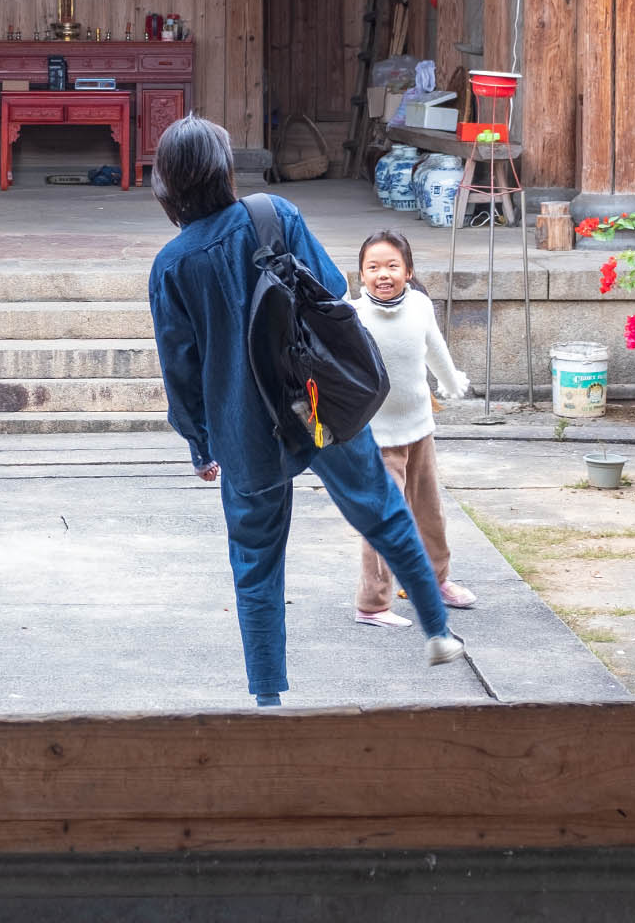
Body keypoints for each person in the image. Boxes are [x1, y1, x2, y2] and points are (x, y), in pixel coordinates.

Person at [146, 116, 467, 707]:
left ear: (167, 184)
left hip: (244, 432)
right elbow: (330, 286)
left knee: (257, 566)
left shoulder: (171, 265)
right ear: (223, 169)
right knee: (381, 509)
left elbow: (181, 370)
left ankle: (268, 699)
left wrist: (199, 443)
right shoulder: (272, 215)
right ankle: (438, 632)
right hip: (314, 403)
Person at [350, 230, 478, 626]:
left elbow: (434, 348)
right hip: (377, 437)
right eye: (373, 267)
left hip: (420, 427)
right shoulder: (352, 314)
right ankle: (372, 604)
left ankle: (435, 580)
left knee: (429, 512)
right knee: (383, 521)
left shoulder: (420, 305)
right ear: (361, 276)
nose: (382, 274)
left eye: (392, 266)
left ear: (408, 271)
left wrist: (451, 380)